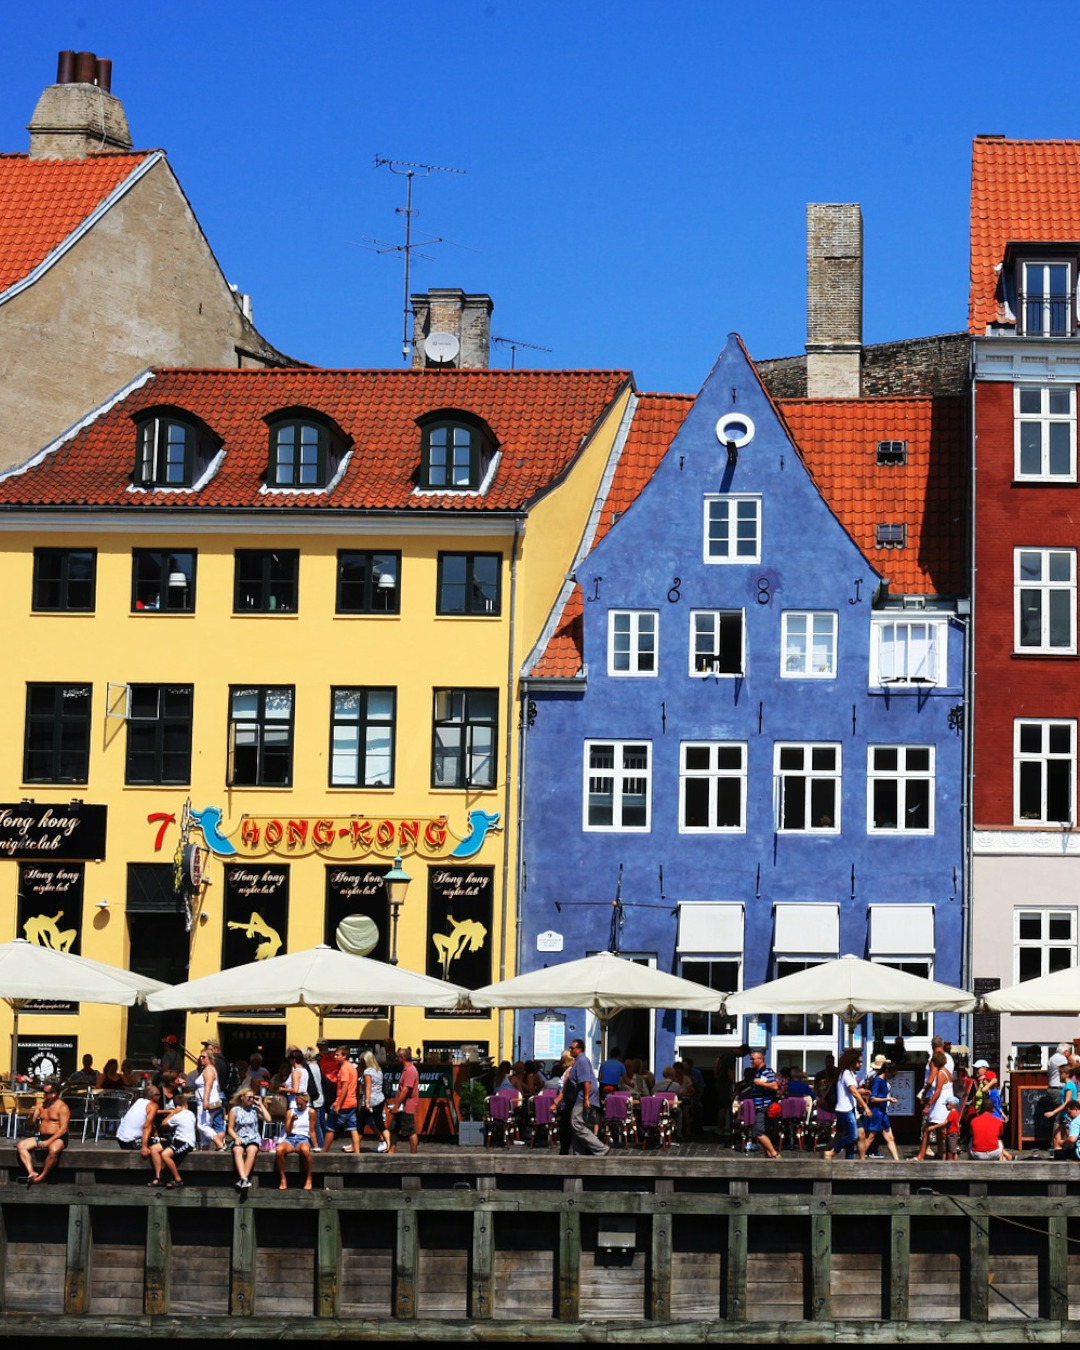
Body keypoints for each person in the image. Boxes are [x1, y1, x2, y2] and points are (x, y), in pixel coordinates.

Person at [558, 1039, 609, 1157]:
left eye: (572, 1048)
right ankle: (578, 1154)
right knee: (577, 1127)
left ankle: (601, 1148)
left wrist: (586, 1098)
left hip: (582, 1098)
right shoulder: (578, 1061)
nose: (570, 1049)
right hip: (581, 1098)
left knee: (576, 1124)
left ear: (580, 1049)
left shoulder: (582, 1061)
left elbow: (586, 1081)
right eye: (570, 1048)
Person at [17, 1082, 70, 1184]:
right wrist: (31, 1115)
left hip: (58, 1137)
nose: (43, 1095)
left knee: (54, 1149)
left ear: (54, 1094)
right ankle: (31, 1172)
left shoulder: (62, 1107)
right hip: (42, 1137)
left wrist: (49, 1141)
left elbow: (63, 1129)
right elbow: (30, 1123)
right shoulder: (41, 1105)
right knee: (21, 1146)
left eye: (45, 1093)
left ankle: (42, 1176)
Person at [824, 1049, 869, 1161]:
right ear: (852, 1061)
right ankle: (832, 1152)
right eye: (859, 1062)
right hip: (845, 1109)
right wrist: (866, 1107)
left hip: (851, 1109)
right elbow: (853, 1091)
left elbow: (851, 1090)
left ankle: (854, 1160)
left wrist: (861, 1091)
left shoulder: (849, 1074)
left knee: (860, 1133)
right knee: (852, 1135)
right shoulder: (846, 1073)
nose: (861, 1064)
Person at [148, 1091, 196, 1188]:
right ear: (186, 1104)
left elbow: (164, 1124)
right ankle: (159, 1178)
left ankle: (178, 1179)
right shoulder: (191, 1113)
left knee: (165, 1154)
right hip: (177, 1139)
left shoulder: (178, 1116)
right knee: (154, 1149)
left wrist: (172, 1113)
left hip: (186, 1141)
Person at [227, 1087, 271, 1189]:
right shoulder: (235, 1110)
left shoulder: (255, 1110)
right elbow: (230, 1128)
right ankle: (244, 1178)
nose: (251, 1100)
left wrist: (260, 1104)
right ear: (242, 1097)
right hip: (240, 1137)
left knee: (251, 1150)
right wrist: (236, 1138)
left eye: (253, 1097)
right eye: (249, 1098)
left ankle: (243, 1179)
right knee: (237, 1150)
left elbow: (268, 1119)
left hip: (253, 1138)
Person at [856, 1060, 900, 1161]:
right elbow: (873, 1098)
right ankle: (860, 1160)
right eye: (893, 1073)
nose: (894, 1075)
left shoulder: (883, 1080)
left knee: (890, 1138)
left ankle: (897, 1161)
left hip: (882, 1112)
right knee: (870, 1138)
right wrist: (888, 1099)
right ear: (888, 1070)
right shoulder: (878, 1080)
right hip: (876, 1112)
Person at [322, 1046, 361, 1155]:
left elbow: (345, 1087)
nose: (335, 1057)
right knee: (353, 1128)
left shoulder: (344, 1068)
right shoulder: (352, 1067)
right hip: (352, 1102)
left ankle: (324, 1152)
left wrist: (338, 1105)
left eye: (337, 1055)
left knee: (331, 1128)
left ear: (345, 1055)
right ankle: (357, 1152)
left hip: (344, 1103)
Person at [276, 1091, 317, 1190]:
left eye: (301, 1104)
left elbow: (312, 1130)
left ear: (306, 1102)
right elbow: (288, 1131)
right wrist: (292, 1121)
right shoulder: (290, 1112)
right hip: (290, 1138)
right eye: (297, 1103)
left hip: (303, 1138)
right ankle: (283, 1178)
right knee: (279, 1150)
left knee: (305, 1150)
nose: (299, 1106)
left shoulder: (310, 1112)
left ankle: (309, 1178)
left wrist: (316, 1146)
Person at [917, 1050, 951, 1161]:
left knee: (927, 1129)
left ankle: (920, 1156)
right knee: (940, 1131)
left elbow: (938, 1091)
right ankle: (942, 1154)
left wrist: (928, 1105)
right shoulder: (945, 1071)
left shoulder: (941, 1073)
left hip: (940, 1105)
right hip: (943, 1104)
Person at [387, 1046, 421, 1155]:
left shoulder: (410, 1070)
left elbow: (406, 1090)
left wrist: (397, 1105)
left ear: (403, 1057)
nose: (397, 1059)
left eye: (398, 1057)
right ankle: (391, 1152)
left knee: (411, 1131)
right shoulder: (406, 1070)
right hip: (402, 1106)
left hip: (407, 1106)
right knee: (393, 1129)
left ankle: (414, 1155)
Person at [746, 1049, 780, 1159]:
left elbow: (775, 1086)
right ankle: (769, 1157)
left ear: (760, 1059)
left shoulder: (767, 1072)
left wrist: (759, 1082)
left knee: (758, 1132)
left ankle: (774, 1154)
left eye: (752, 1059)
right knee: (765, 1133)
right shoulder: (758, 1072)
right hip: (760, 1107)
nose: (750, 1061)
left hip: (765, 1107)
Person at [359, 1050, 391, 1154]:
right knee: (379, 1123)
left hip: (371, 1100)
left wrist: (367, 1102)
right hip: (380, 1099)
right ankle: (387, 1144)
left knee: (360, 1124)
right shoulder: (378, 1070)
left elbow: (368, 1088)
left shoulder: (367, 1072)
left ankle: (355, 1145)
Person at [195, 1047, 225, 1150]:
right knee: (204, 1125)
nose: (201, 1058)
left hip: (207, 1102)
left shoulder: (209, 1070)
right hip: (205, 1101)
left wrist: (205, 1100)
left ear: (210, 1058)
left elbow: (208, 1085)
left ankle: (219, 1144)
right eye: (200, 1056)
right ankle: (205, 1147)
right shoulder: (206, 1069)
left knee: (202, 1125)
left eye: (204, 1057)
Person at [116, 1085, 160, 1154]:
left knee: (157, 1138)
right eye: (158, 1094)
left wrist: (169, 1111)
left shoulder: (140, 1101)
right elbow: (147, 1127)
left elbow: (151, 1114)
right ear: (153, 1096)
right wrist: (144, 1147)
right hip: (131, 1142)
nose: (160, 1096)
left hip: (121, 1140)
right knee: (163, 1144)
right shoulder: (153, 1106)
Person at [969, 1095, 1013, 1161]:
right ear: (993, 1109)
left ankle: (970, 1163)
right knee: (999, 1141)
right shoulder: (998, 1121)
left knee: (971, 1140)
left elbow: (971, 1133)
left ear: (982, 1109)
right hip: (993, 1153)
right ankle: (1001, 1164)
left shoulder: (974, 1121)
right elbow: (1001, 1134)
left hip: (977, 1153)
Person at [943, 1096, 962, 1161]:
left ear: (951, 1105)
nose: (946, 1106)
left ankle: (952, 1162)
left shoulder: (952, 1113)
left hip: (952, 1133)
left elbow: (946, 1122)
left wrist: (934, 1127)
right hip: (952, 1133)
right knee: (951, 1149)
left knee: (952, 1151)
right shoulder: (955, 1113)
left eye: (947, 1104)